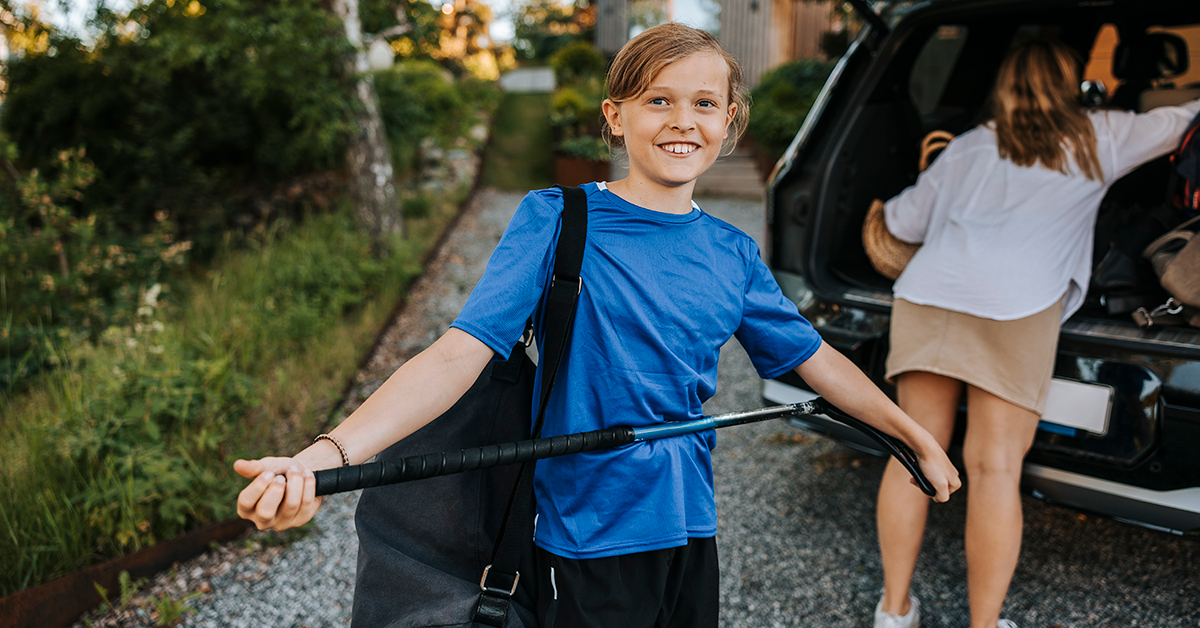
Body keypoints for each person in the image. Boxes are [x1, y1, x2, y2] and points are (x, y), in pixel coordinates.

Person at [235, 22, 961, 627]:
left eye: (706, 103)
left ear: (730, 123)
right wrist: (321, 458)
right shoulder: (557, 217)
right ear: (616, 116)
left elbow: (817, 362)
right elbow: (457, 355)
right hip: (582, 534)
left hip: (689, 527)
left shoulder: (733, 253)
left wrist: (914, 435)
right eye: (658, 100)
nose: (683, 120)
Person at [873, 40, 1200, 628]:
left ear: (1003, 84)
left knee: (914, 453)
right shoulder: (1099, 135)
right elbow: (1184, 117)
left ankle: (893, 612)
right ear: (1071, 83)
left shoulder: (970, 145)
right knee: (995, 467)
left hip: (929, 297)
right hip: (1015, 306)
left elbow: (901, 222)